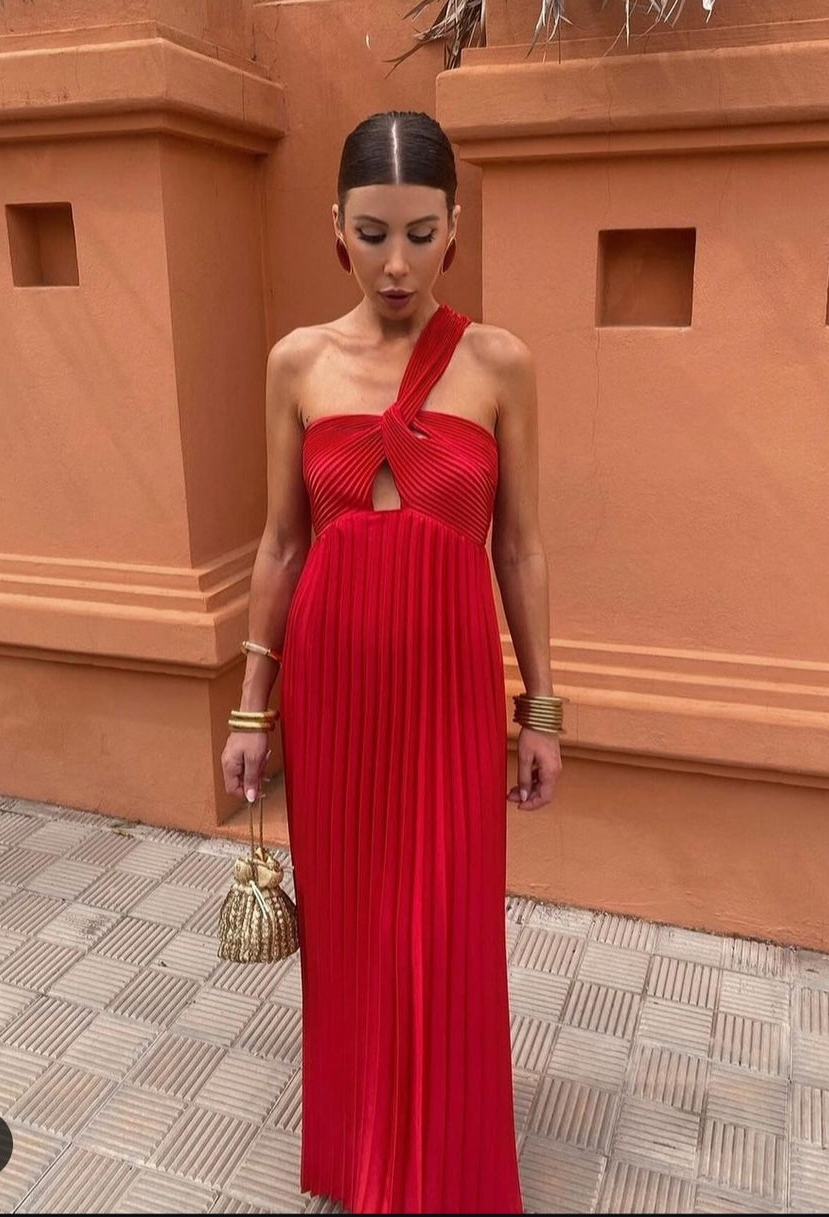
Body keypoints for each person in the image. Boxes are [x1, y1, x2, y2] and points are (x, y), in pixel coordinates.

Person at [221, 109, 564, 1215]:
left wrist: (541, 709)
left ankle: (447, 1166)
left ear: (455, 228)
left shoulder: (499, 362)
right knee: (356, 925)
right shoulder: (297, 362)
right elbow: (281, 544)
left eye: (421, 234)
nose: (398, 264)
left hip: (452, 690)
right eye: (373, 235)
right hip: (332, 691)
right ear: (337, 227)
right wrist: (251, 709)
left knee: (444, 923)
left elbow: (520, 546)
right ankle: (363, 1155)